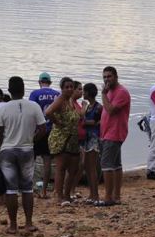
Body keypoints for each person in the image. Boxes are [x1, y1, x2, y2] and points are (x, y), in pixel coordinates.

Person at [0, 76, 46, 234]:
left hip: (7, 151)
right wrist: (31, 140)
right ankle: (28, 223)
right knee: (27, 189)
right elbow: (43, 129)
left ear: (9, 91)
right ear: (23, 89)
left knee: (11, 190)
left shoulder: (3, 109)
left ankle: (13, 225)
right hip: (27, 150)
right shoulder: (33, 106)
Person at [98, 66, 131, 206]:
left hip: (115, 132)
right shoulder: (110, 91)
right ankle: (116, 196)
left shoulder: (121, 92)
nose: (107, 79)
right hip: (107, 132)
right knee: (116, 165)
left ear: (116, 76)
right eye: (104, 77)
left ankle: (108, 197)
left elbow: (110, 110)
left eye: (109, 76)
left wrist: (103, 95)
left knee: (106, 165)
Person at [45, 77, 80, 206]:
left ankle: (67, 195)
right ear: (62, 88)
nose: (70, 89)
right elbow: (48, 112)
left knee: (73, 168)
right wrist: (57, 122)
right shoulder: (60, 100)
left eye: (71, 87)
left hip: (73, 139)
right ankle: (59, 196)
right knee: (61, 168)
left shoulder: (71, 100)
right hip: (61, 139)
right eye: (67, 87)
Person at [29, 72, 60, 198]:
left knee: (31, 161)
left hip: (37, 130)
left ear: (39, 82)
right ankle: (44, 191)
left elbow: (30, 112)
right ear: (50, 82)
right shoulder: (57, 95)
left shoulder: (35, 94)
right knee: (47, 161)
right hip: (51, 130)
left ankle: (29, 188)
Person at [80, 83, 102, 203]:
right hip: (87, 138)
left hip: (93, 138)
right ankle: (91, 194)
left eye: (84, 91)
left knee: (92, 167)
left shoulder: (98, 107)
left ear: (88, 93)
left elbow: (95, 122)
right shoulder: (89, 106)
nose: (83, 93)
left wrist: (83, 121)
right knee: (87, 167)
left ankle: (95, 195)